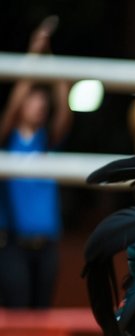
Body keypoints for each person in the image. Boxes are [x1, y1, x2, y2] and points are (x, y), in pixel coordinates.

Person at [0, 17, 71, 309]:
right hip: (12, 243)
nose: (39, 105)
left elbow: (64, 104)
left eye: (42, 101)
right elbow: (15, 99)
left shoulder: (47, 141)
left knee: (42, 312)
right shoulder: (6, 138)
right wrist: (33, 54)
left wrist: (48, 57)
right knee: (17, 311)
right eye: (33, 100)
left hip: (48, 244)